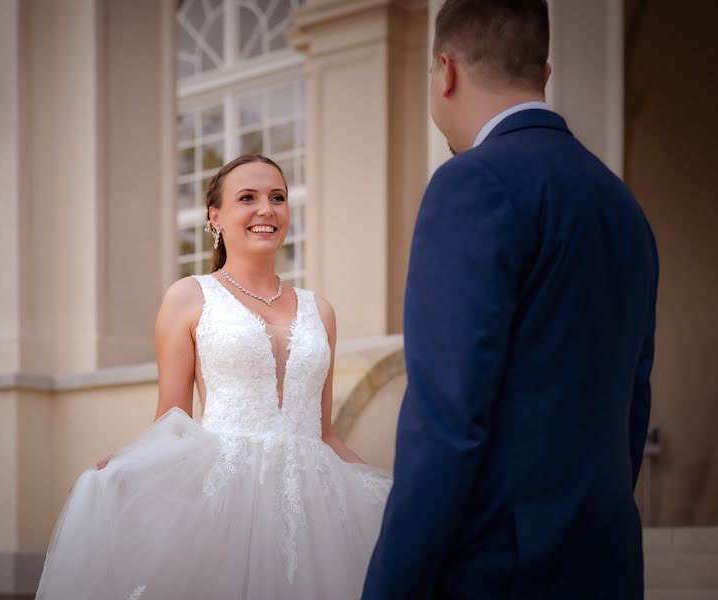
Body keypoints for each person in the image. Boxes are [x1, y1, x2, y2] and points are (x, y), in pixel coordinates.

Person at [362, 1, 658, 598]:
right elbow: (633, 399)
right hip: (606, 559)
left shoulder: (471, 183)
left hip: (500, 568)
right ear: (542, 75)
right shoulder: (623, 205)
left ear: (445, 71)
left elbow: (446, 421)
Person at [35, 155, 391, 600]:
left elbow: (324, 434)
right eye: (248, 198)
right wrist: (127, 466)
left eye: (277, 198)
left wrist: (391, 491)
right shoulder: (188, 297)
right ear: (215, 217)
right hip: (228, 502)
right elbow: (173, 417)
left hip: (317, 507)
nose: (267, 209)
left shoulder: (321, 309)